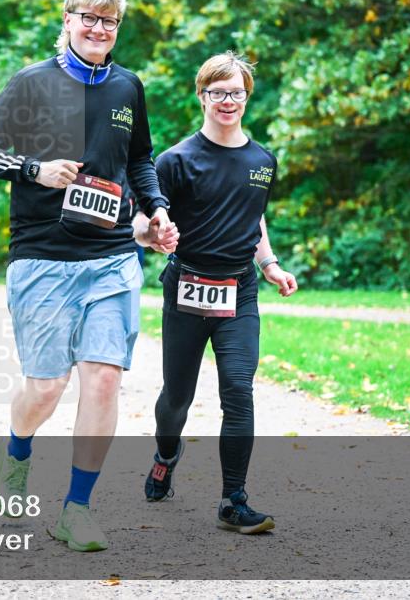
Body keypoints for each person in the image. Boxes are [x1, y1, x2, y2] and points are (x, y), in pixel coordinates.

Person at [0, 0, 177, 552]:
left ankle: (76, 508)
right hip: (42, 255)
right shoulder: (31, 82)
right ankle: (16, 453)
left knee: (104, 380)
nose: (99, 29)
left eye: (109, 22)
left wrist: (156, 209)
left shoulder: (127, 88)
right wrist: (33, 170)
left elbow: (140, 160)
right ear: (68, 21)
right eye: (89, 19)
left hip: (110, 254)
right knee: (47, 385)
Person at [135, 51, 298, 535]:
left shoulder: (262, 160)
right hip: (186, 288)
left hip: (239, 294)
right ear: (202, 95)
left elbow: (254, 217)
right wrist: (153, 235)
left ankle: (233, 500)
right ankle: (167, 453)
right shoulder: (176, 161)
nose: (228, 101)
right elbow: (142, 220)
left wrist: (268, 263)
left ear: (247, 97)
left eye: (237, 92)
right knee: (177, 399)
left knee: (238, 393)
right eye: (218, 92)